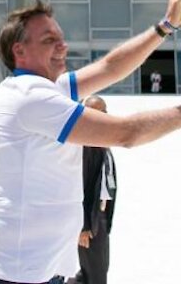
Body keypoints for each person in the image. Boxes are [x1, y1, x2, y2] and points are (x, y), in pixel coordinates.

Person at [0, 0, 181, 284]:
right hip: (16, 276)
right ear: (20, 51)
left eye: (61, 38)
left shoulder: (49, 88)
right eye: (49, 40)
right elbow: (125, 133)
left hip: (41, 272)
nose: (62, 46)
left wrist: (166, 25)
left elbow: (110, 68)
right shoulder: (30, 97)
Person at [72, 96, 117, 284]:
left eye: (105, 111)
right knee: (96, 275)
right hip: (90, 219)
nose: (105, 115)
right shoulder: (85, 145)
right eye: (101, 112)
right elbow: (80, 187)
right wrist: (83, 226)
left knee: (95, 271)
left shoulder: (102, 142)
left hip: (101, 218)